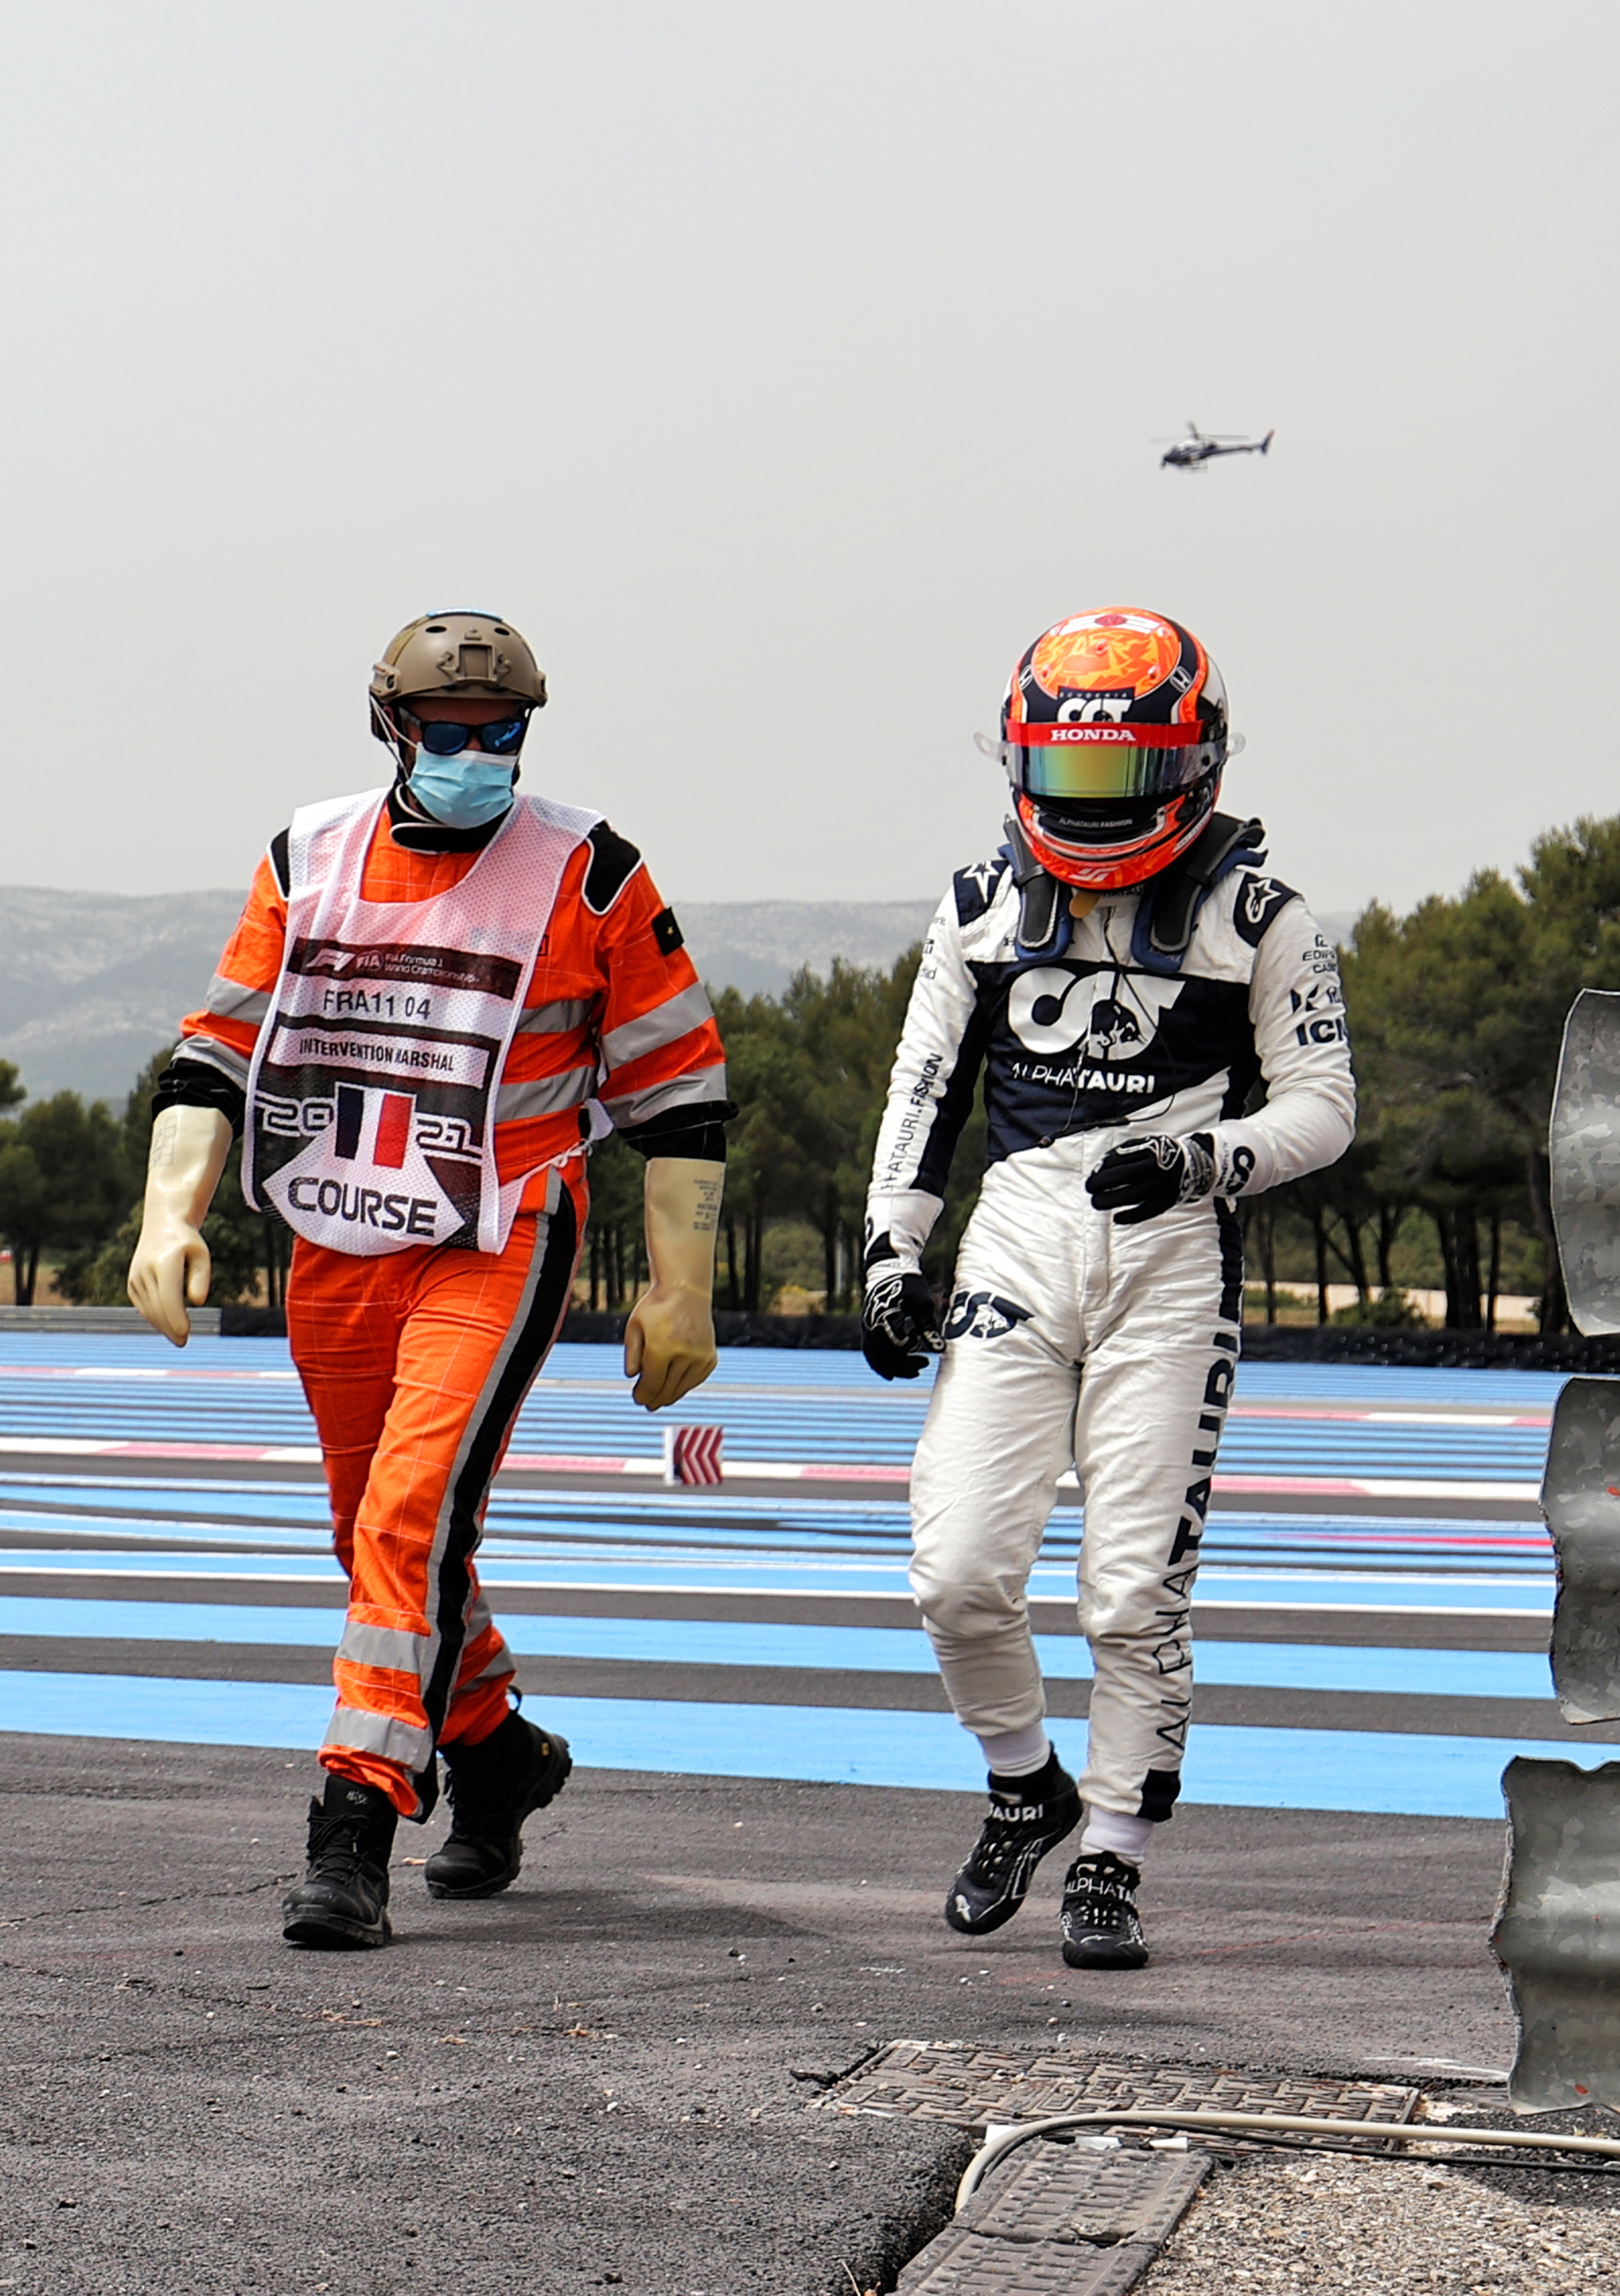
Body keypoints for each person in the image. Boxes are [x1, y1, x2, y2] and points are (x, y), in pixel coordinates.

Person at [127, 610, 734, 1951]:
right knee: (374, 1533)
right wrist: (169, 1212)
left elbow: (681, 1096)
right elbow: (213, 1050)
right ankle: (499, 1750)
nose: (475, 756)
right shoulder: (310, 854)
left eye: (500, 734)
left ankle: (352, 1826)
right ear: (391, 728)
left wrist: (679, 1287)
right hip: (336, 1237)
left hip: (496, 1231)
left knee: (411, 1513)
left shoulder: (591, 874)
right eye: (447, 734)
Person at [856, 608, 1355, 1971]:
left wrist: (1205, 1159)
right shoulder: (974, 907)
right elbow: (922, 1089)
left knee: (1133, 1597)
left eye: (1116, 787)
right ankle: (1027, 1787)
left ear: (1194, 769)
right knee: (957, 1571)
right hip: (1015, 1247)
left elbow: (1324, 1111)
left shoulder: (1268, 917)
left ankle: (1115, 1858)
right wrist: (893, 1248)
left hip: (1173, 1262)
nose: (1086, 816)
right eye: (1065, 784)